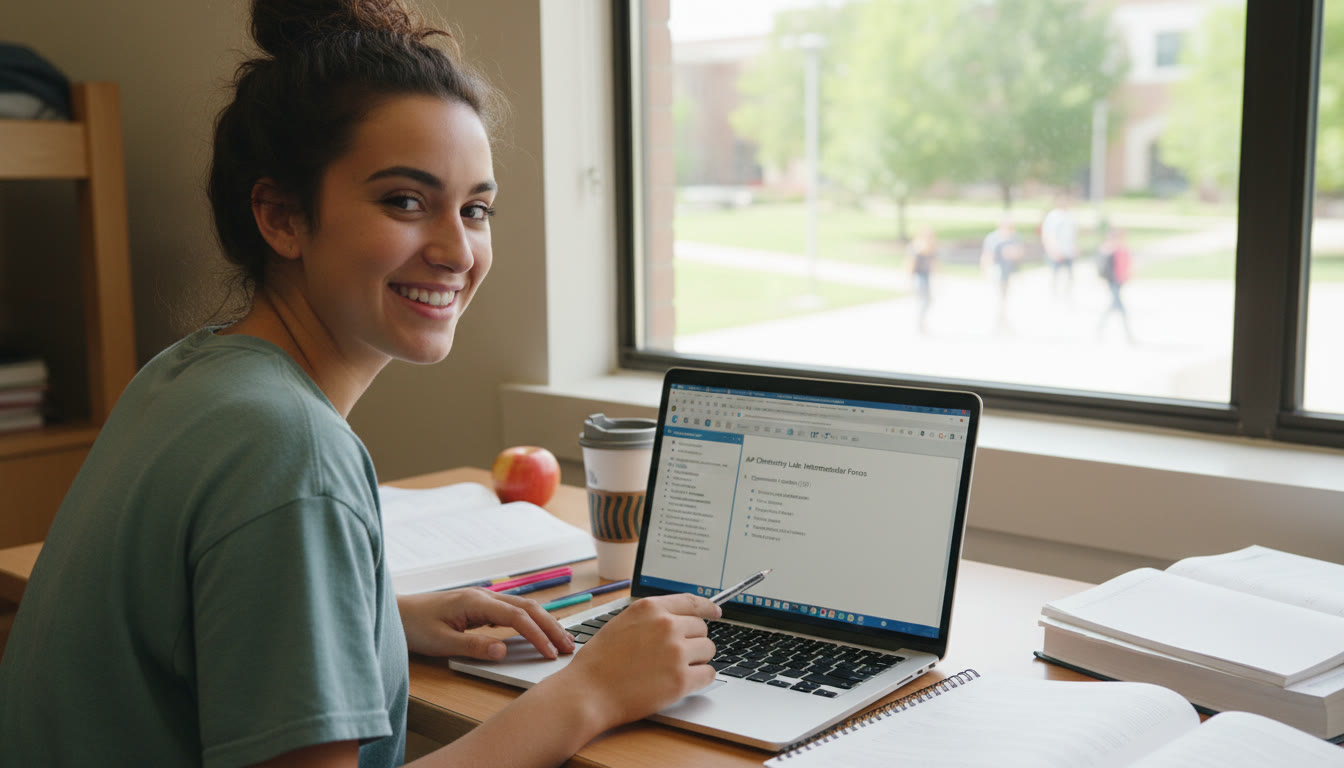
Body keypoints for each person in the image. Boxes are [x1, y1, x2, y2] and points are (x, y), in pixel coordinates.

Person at [0, 1, 722, 766]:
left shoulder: (189, 374)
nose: (456, 250)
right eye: (405, 201)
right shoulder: (290, 449)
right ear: (282, 216)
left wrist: (378, 617)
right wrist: (590, 692)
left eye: (476, 209)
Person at [981, 216, 1024, 333]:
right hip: (996, 271)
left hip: (1009, 271)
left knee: (1005, 296)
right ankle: (998, 320)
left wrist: (1014, 253)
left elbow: (1020, 252)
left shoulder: (1015, 238)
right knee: (998, 296)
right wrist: (985, 271)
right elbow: (987, 255)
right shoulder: (993, 238)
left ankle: (1002, 319)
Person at [1096, 227, 1135, 343]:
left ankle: (1099, 329)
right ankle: (1128, 335)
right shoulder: (1109, 249)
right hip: (1113, 281)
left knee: (1112, 307)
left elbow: (1127, 264)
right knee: (1120, 309)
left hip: (1120, 281)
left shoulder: (1123, 249)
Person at [1040, 194, 1079, 298]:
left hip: (1068, 250)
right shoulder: (1053, 216)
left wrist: (1075, 246)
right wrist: (1053, 249)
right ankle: (1054, 295)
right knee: (1055, 274)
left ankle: (1067, 295)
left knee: (1069, 275)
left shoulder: (1070, 216)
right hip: (1056, 251)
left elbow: (1073, 234)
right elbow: (1048, 235)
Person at [907, 226, 938, 333]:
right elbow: (911, 265)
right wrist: (909, 281)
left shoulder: (931, 248)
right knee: (924, 300)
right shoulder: (917, 248)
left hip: (926, 276)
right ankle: (920, 323)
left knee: (928, 300)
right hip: (919, 277)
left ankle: (921, 321)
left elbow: (933, 264)